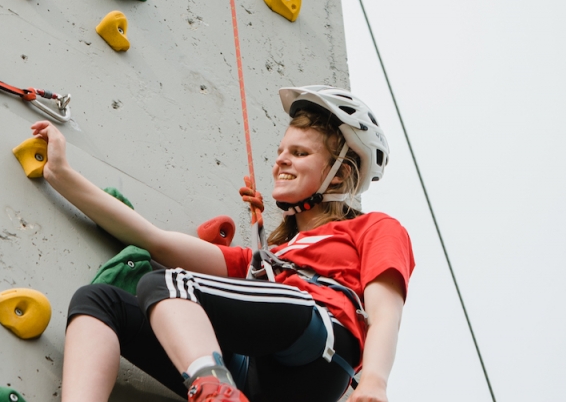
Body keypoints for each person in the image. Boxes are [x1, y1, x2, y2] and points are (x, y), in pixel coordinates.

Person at [35, 86, 413, 402]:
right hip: (260, 380)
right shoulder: (265, 262)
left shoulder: (373, 228)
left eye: (299, 153)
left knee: (165, 284)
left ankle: (213, 389)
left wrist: (375, 382)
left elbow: (385, 313)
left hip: (321, 351)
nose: (281, 161)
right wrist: (61, 175)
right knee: (99, 300)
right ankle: (217, 388)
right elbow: (155, 240)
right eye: (280, 152)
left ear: (339, 174)